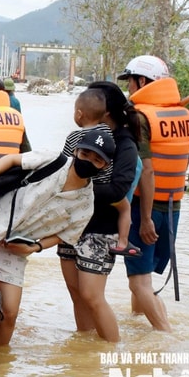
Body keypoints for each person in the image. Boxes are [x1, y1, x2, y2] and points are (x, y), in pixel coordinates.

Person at [0, 128, 115, 347]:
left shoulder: (86, 204)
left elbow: (65, 236)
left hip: (12, 249)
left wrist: (34, 247)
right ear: (76, 151)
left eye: (97, 160)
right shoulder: (52, 159)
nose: (89, 162)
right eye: (85, 155)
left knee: (9, 314)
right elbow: (11, 160)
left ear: (105, 166)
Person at [117, 55, 189, 332]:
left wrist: (146, 218)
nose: (129, 89)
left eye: (130, 82)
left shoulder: (141, 117)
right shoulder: (184, 115)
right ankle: (137, 320)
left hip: (145, 208)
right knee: (144, 277)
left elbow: (147, 171)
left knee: (137, 282)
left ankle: (166, 334)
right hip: (174, 208)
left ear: (142, 81)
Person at [57, 86, 141, 343]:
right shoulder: (79, 138)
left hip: (101, 228)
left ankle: (112, 350)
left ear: (105, 112)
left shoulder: (124, 144)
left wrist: (77, 191)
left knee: (92, 296)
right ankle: (86, 349)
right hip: (73, 225)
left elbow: (118, 190)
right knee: (76, 292)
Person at [60, 88, 135, 256]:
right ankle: (123, 241)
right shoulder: (108, 132)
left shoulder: (74, 137)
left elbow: (63, 163)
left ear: (79, 114)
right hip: (106, 186)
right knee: (125, 209)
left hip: (81, 187)